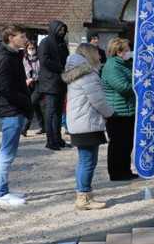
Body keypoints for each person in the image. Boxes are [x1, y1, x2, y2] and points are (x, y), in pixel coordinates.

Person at [62, 43, 114, 210]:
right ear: (90, 54)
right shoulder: (88, 75)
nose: (100, 56)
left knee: (84, 161)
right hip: (87, 123)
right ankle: (83, 198)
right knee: (88, 161)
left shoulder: (77, 72)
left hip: (80, 122)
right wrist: (110, 113)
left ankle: (84, 194)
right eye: (97, 53)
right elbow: (98, 100)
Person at [0, 25, 31, 207]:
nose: (25, 39)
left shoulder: (14, 55)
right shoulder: (4, 58)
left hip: (15, 109)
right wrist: (23, 101)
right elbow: (2, 88)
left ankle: (3, 189)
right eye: (22, 36)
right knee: (6, 153)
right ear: (11, 38)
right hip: (11, 110)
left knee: (9, 152)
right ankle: (0, 193)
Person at [101, 38, 137, 181]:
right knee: (117, 144)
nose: (129, 52)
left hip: (128, 110)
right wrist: (138, 82)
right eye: (127, 50)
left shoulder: (126, 64)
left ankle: (125, 170)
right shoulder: (112, 67)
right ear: (118, 52)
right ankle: (116, 173)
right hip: (117, 112)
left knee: (127, 143)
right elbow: (123, 87)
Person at [38, 20, 70, 150]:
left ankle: (58, 139)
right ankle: (50, 140)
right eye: (60, 30)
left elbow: (66, 59)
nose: (62, 32)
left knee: (58, 112)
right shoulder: (45, 42)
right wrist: (60, 68)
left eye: (63, 30)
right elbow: (44, 60)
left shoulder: (62, 43)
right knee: (50, 112)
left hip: (61, 81)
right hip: (50, 82)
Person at [22, 40, 44, 136]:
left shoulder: (40, 59)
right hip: (29, 85)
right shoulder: (25, 59)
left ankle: (24, 128)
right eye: (29, 48)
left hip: (39, 84)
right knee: (35, 106)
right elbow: (24, 72)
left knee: (31, 104)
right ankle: (43, 126)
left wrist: (33, 78)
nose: (31, 50)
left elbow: (42, 73)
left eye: (33, 48)